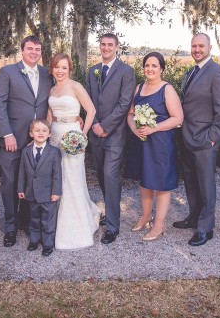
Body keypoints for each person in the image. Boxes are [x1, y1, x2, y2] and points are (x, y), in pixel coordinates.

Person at [0, 36, 53, 248]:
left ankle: (28, 222)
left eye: (37, 49)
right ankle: (10, 226)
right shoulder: (8, 72)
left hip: (38, 140)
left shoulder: (47, 74)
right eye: (30, 48)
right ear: (22, 50)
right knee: (9, 182)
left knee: (32, 181)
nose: (34, 52)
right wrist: (6, 133)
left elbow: (52, 101)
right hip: (13, 137)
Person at [173, 33, 220, 246]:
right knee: (190, 180)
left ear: (209, 47)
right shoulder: (191, 72)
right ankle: (194, 217)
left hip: (205, 139)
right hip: (187, 136)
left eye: (201, 46)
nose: (197, 50)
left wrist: (212, 138)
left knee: (206, 184)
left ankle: (205, 229)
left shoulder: (219, 73)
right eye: (194, 46)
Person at [125, 52, 184, 241]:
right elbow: (130, 114)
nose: (150, 69)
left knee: (161, 183)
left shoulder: (166, 89)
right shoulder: (139, 88)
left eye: (154, 66)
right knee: (144, 181)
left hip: (161, 143)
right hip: (141, 142)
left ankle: (159, 225)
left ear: (161, 69)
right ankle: (145, 216)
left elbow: (178, 118)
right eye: (147, 65)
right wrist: (135, 129)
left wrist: (154, 128)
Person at [85, 32, 136, 244]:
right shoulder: (93, 71)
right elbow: (87, 101)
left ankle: (113, 227)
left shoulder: (126, 71)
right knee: (100, 174)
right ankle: (111, 212)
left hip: (115, 134)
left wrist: (105, 126)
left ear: (117, 47)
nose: (106, 48)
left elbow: (125, 104)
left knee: (110, 175)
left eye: (110, 45)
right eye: (103, 44)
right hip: (96, 132)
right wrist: (95, 124)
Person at [47, 53, 100, 250]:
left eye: (64, 68)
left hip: (73, 138)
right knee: (57, 179)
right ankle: (54, 223)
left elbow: (91, 110)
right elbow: (49, 114)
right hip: (53, 136)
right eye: (57, 67)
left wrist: (82, 135)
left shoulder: (75, 86)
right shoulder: (51, 89)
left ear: (70, 70)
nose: (60, 71)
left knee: (72, 179)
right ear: (52, 69)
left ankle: (75, 227)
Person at [18, 119, 62, 257]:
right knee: (34, 218)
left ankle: (48, 243)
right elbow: (22, 172)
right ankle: (34, 240)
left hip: (49, 193)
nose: (40, 133)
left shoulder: (54, 152)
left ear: (49, 134)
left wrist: (56, 191)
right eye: (37, 130)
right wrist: (21, 189)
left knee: (48, 220)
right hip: (31, 192)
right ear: (31, 133)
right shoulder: (26, 151)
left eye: (44, 130)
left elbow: (57, 174)